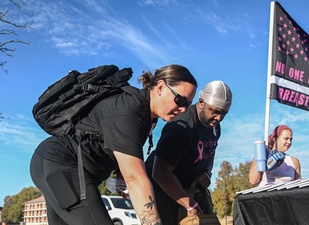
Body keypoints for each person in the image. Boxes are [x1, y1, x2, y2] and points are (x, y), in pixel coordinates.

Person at [30, 64, 198, 225]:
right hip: (60, 165)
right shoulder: (129, 111)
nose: (183, 110)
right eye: (180, 101)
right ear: (160, 87)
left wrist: (119, 177)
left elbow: (121, 155)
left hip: (55, 166)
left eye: (188, 105)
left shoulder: (145, 115)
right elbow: (135, 178)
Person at [145, 80, 232, 225]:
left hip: (188, 187)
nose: (219, 118)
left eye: (224, 113)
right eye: (215, 111)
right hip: (161, 188)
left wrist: (207, 172)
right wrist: (190, 204)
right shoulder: (182, 127)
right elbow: (160, 172)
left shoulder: (214, 126)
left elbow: (210, 151)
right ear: (201, 102)